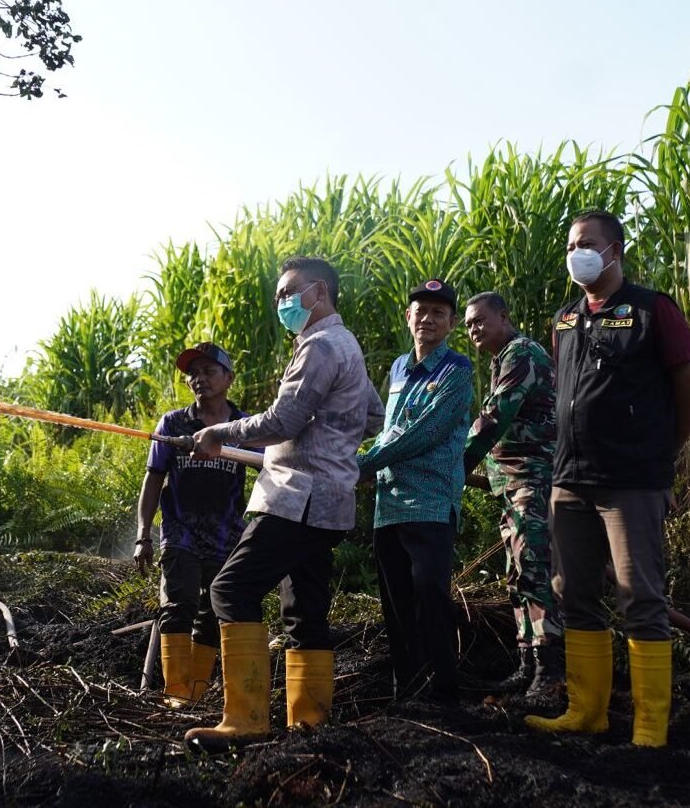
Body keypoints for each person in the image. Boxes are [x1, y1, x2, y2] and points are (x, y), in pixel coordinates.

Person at [183, 256, 385, 751]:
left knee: (229, 590)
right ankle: (309, 724)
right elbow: (375, 416)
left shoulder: (319, 346)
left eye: (289, 293)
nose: (281, 304)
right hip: (329, 503)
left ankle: (246, 719)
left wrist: (217, 434)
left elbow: (282, 420)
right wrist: (333, 440)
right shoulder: (348, 344)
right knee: (305, 611)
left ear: (319, 292)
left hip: (297, 498)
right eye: (278, 296)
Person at [526, 209, 690, 747]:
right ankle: (587, 711)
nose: (575, 252)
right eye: (569, 244)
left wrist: (661, 452)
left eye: (586, 242)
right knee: (573, 594)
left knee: (640, 597)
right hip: (570, 480)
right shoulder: (565, 319)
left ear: (615, 250)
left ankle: (650, 724)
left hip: (631, 481)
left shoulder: (654, 309)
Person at [358, 279, 473, 702]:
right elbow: (389, 432)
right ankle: (406, 694)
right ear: (408, 317)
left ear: (451, 323)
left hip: (430, 503)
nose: (427, 319)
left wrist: (363, 464)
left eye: (437, 313)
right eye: (420, 311)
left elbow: (423, 433)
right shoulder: (398, 368)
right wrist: (354, 460)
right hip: (388, 505)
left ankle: (443, 694)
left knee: (429, 595)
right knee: (396, 607)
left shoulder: (457, 372)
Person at [461, 290, 564, 699]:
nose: (473, 329)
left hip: (533, 482)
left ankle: (551, 672)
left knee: (535, 572)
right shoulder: (502, 358)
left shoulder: (522, 353)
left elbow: (496, 415)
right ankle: (527, 664)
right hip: (513, 484)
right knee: (519, 573)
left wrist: (457, 462)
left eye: (480, 320)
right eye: (468, 324)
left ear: (503, 317)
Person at [135, 343, 249, 706]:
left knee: (215, 611)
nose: (199, 379)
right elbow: (153, 480)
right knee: (178, 605)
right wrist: (143, 536)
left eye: (208, 371)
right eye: (193, 373)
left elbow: (271, 471)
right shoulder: (173, 425)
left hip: (226, 537)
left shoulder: (243, 426)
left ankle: (199, 689)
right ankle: (177, 693)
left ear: (228, 378)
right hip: (180, 533)